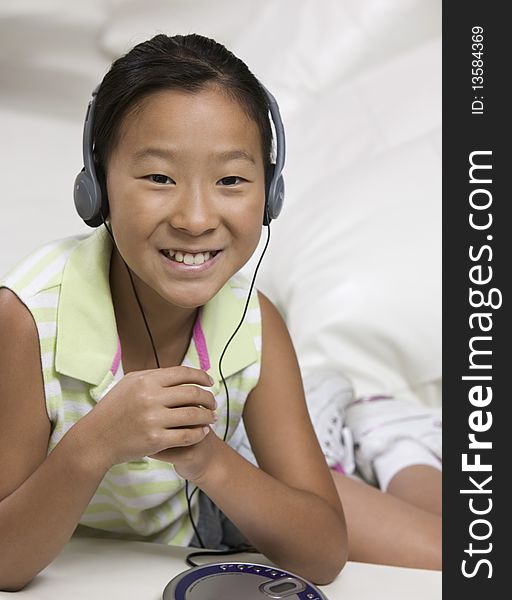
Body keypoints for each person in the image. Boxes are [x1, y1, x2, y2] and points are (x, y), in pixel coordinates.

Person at [0, 33, 347, 591]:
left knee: (450, 549)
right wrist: (96, 442)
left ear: (272, 192)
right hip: (177, 511)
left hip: (213, 500)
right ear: (97, 186)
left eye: (231, 179)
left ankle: (378, 432)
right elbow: (4, 562)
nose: (195, 217)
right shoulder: (27, 320)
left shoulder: (255, 322)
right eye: (160, 178)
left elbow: (326, 554)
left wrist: (207, 460)